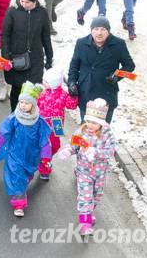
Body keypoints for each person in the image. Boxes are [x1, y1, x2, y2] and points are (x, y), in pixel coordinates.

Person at [0, 82, 51, 217]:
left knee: (26, 176)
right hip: (15, 154)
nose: (23, 105)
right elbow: (2, 134)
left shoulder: (39, 121)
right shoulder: (13, 118)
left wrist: (45, 158)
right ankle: (19, 205)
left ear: (33, 104)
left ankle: (21, 189)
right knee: (17, 177)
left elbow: (44, 141)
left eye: (27, 103)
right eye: (21, 102)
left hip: (31, 155)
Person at [57, 98, 116, 236]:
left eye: (94, 122)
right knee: (85, 197)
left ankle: (89, 212)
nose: (90, 124)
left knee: (96, 196)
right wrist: (68, 150)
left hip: (99, 173)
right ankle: (85, 222)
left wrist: (95, 152)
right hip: (83, 171)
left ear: (101, 123)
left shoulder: (107, 134)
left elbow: (111, 152)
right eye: (88, 121)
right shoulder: (81, 131)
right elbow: (74, 145)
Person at [67, 16, 135, 124]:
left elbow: (130, 66)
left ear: (108, 31)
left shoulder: (118, 44)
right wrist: (71, 83)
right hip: (86, 91)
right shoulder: (81, 43)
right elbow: (74, 66)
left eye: (103, 29)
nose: (99, 33)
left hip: (106, 93)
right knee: (86, 128)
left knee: (103, 130)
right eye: (96, 29)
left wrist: (116, 76)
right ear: (91, 30)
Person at [0, 0, 53, 112]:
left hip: (35, 57)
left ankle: (30, 116)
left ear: (34, 1)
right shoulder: (12, 10)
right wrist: (6, 56)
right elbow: (5, 34)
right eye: (22, 1)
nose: (24, 4)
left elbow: (46, 36)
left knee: (32, 90)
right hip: (17, 57)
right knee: (17, 89)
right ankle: (14, 115)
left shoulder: (42, 12)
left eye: (28, 2)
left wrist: (49, 56)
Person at [35, 68, 78, 179]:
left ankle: (46, 158)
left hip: (57, 124)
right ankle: (44, 168)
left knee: (55, 145)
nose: (43, 83)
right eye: (43, 81)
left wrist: (74, 96)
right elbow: (34, 104)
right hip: (42, 123)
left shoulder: (63, 94)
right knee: (44, 146)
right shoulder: (42, 93)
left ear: (53, 83)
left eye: (46, 82)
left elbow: (71, 106)